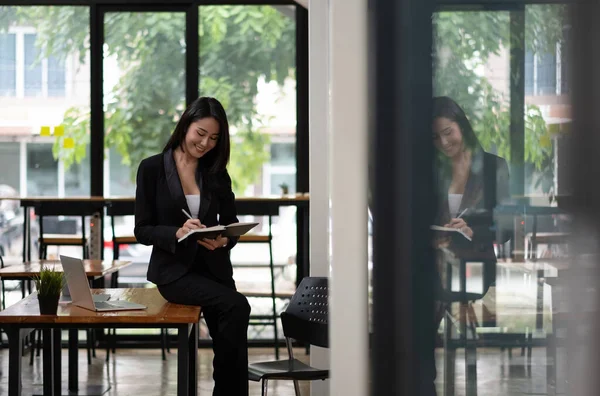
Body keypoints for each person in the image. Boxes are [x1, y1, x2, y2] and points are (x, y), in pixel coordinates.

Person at [134, 96, 250, 396]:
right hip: (175, 273)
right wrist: (176, 232)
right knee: (238, 305)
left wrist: (225, 238)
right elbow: (142, 229)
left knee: (231, 333)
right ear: (185, 125)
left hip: (213, 268)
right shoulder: (151, 169)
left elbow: (231, 222)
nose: (205, 143)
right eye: (200, 133)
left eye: (213, 138)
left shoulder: (216, 172)